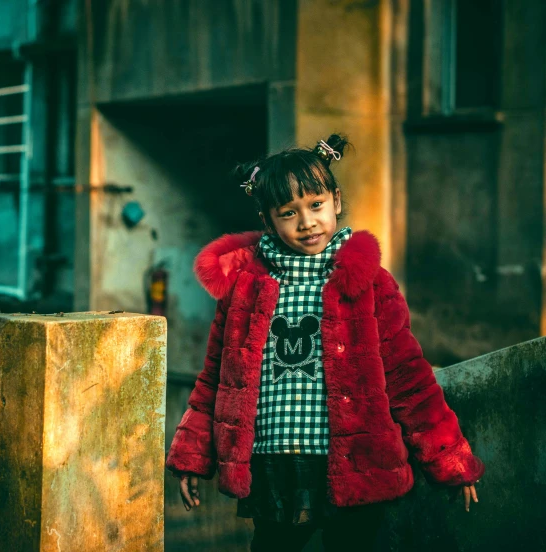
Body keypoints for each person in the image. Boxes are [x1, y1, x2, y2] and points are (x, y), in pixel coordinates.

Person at [165, 135, 485, 551]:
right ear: (268, 220)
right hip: (273, 465)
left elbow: (409, 378)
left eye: (315, 205)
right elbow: (215, 381)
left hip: (355, 461)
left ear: (335, 200)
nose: (307, 222)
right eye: (288, 213)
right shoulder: (245, 289)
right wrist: (191, 457)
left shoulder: (368, 283)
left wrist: (450, 461)